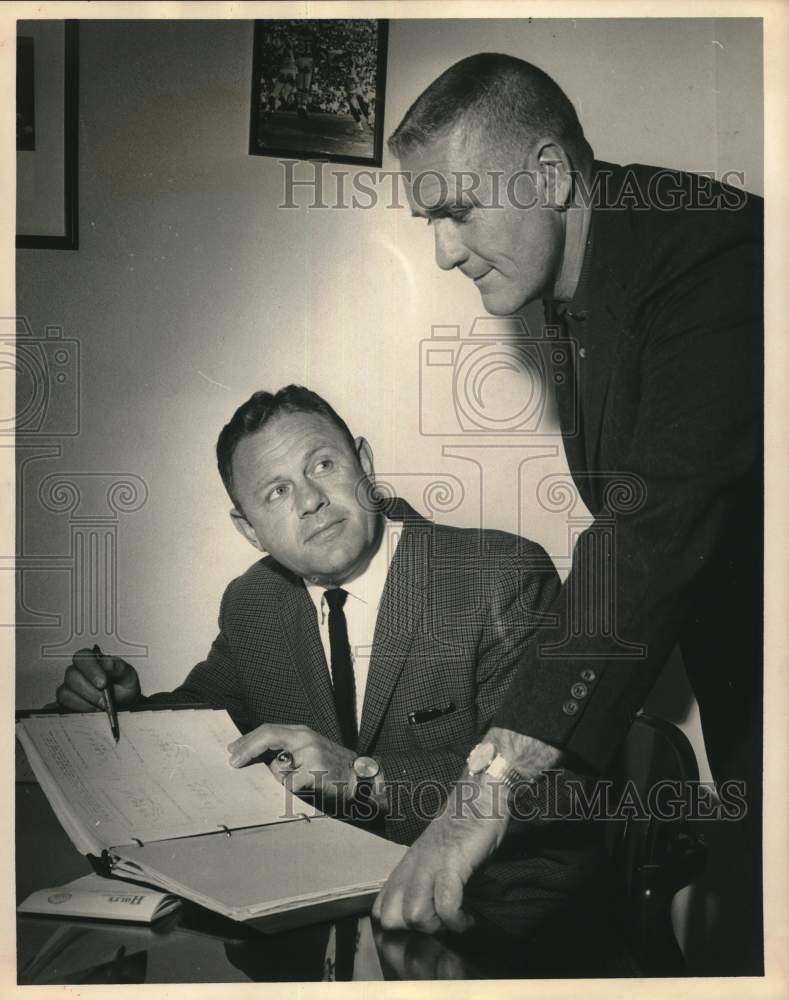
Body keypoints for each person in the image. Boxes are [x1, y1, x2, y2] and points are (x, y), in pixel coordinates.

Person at [373, 53, 763, 972]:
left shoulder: (714, 258)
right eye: (429, 221)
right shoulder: (578, 276)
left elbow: (645, 535)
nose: (443, 251)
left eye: (457, 211)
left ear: (548, 176)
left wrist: (488, 788)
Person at [53, 385, 572, 854]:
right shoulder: (253, 602)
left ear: (365, 464)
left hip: (486, 916)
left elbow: (551, 786)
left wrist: (364, 778)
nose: (310, 501)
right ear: (250, 529)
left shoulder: (500, 576)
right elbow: (207, 726)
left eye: (322, 465)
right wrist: (125, 709)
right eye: (276, 492)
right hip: (322, 910)